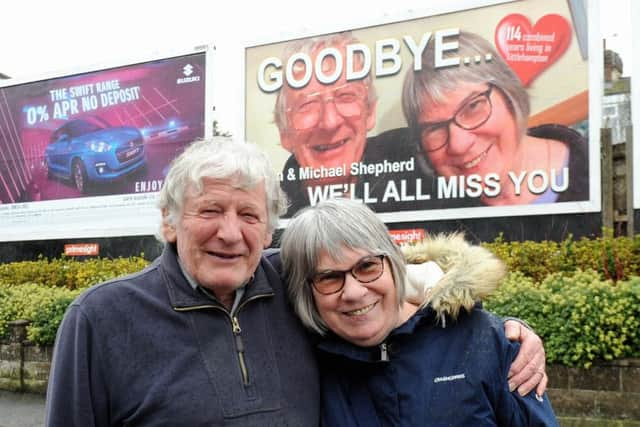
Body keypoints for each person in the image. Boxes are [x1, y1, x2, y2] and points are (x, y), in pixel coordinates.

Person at [45, 138, 546, 426]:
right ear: (170, 222)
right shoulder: (100, 318)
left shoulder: (301, 277)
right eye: (210, 210)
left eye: (249, 214)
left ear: (268, 230)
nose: (229, 232)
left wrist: (505, 334)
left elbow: (402, 280)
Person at [280, 198, 558, 426]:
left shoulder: (489, 342)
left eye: (367, 267)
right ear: (306, 293)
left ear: (394, 264)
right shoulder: (307, 362)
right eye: (329, 277)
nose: (353, 292)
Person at [402, 30, 588, 206]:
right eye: (434, 129)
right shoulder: (433, 214)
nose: (459, 144)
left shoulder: (597, 174)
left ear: (509, 95)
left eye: (473, 106)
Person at [273, 32, 428, 215]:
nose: (329, 122)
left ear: (370, 111)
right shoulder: (265, 218)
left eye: (345, 96)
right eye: (307, 105)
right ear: (284, 132)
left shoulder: (422, 163)